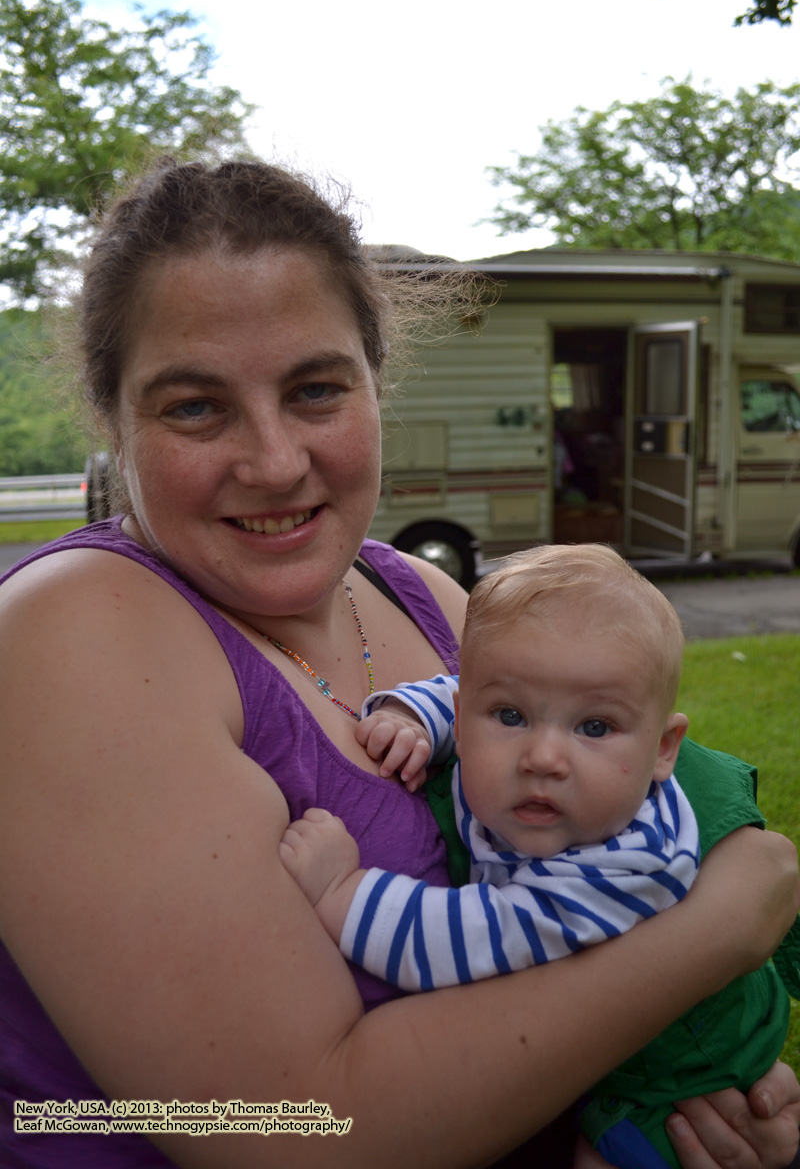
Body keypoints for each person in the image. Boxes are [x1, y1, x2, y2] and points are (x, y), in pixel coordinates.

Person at [0, 159, 799, 1169]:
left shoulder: (421, 592)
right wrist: (710, 935)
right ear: (110, 420)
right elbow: (291, 1134)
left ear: (376, 387)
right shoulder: (75, 632)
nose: (274, 461)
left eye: (316, 390)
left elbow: (619, 818)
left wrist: (703, 1094)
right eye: (195, 407)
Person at [279, 543, 798, 1168]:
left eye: (595, 727)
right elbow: (461, 691)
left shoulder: (626, 867)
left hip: (684, 1081)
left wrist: (342, 892)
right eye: (512, 716)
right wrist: (411, 718)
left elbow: (467, 939)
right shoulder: (535, 767)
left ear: (665, 750)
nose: (544, 757)